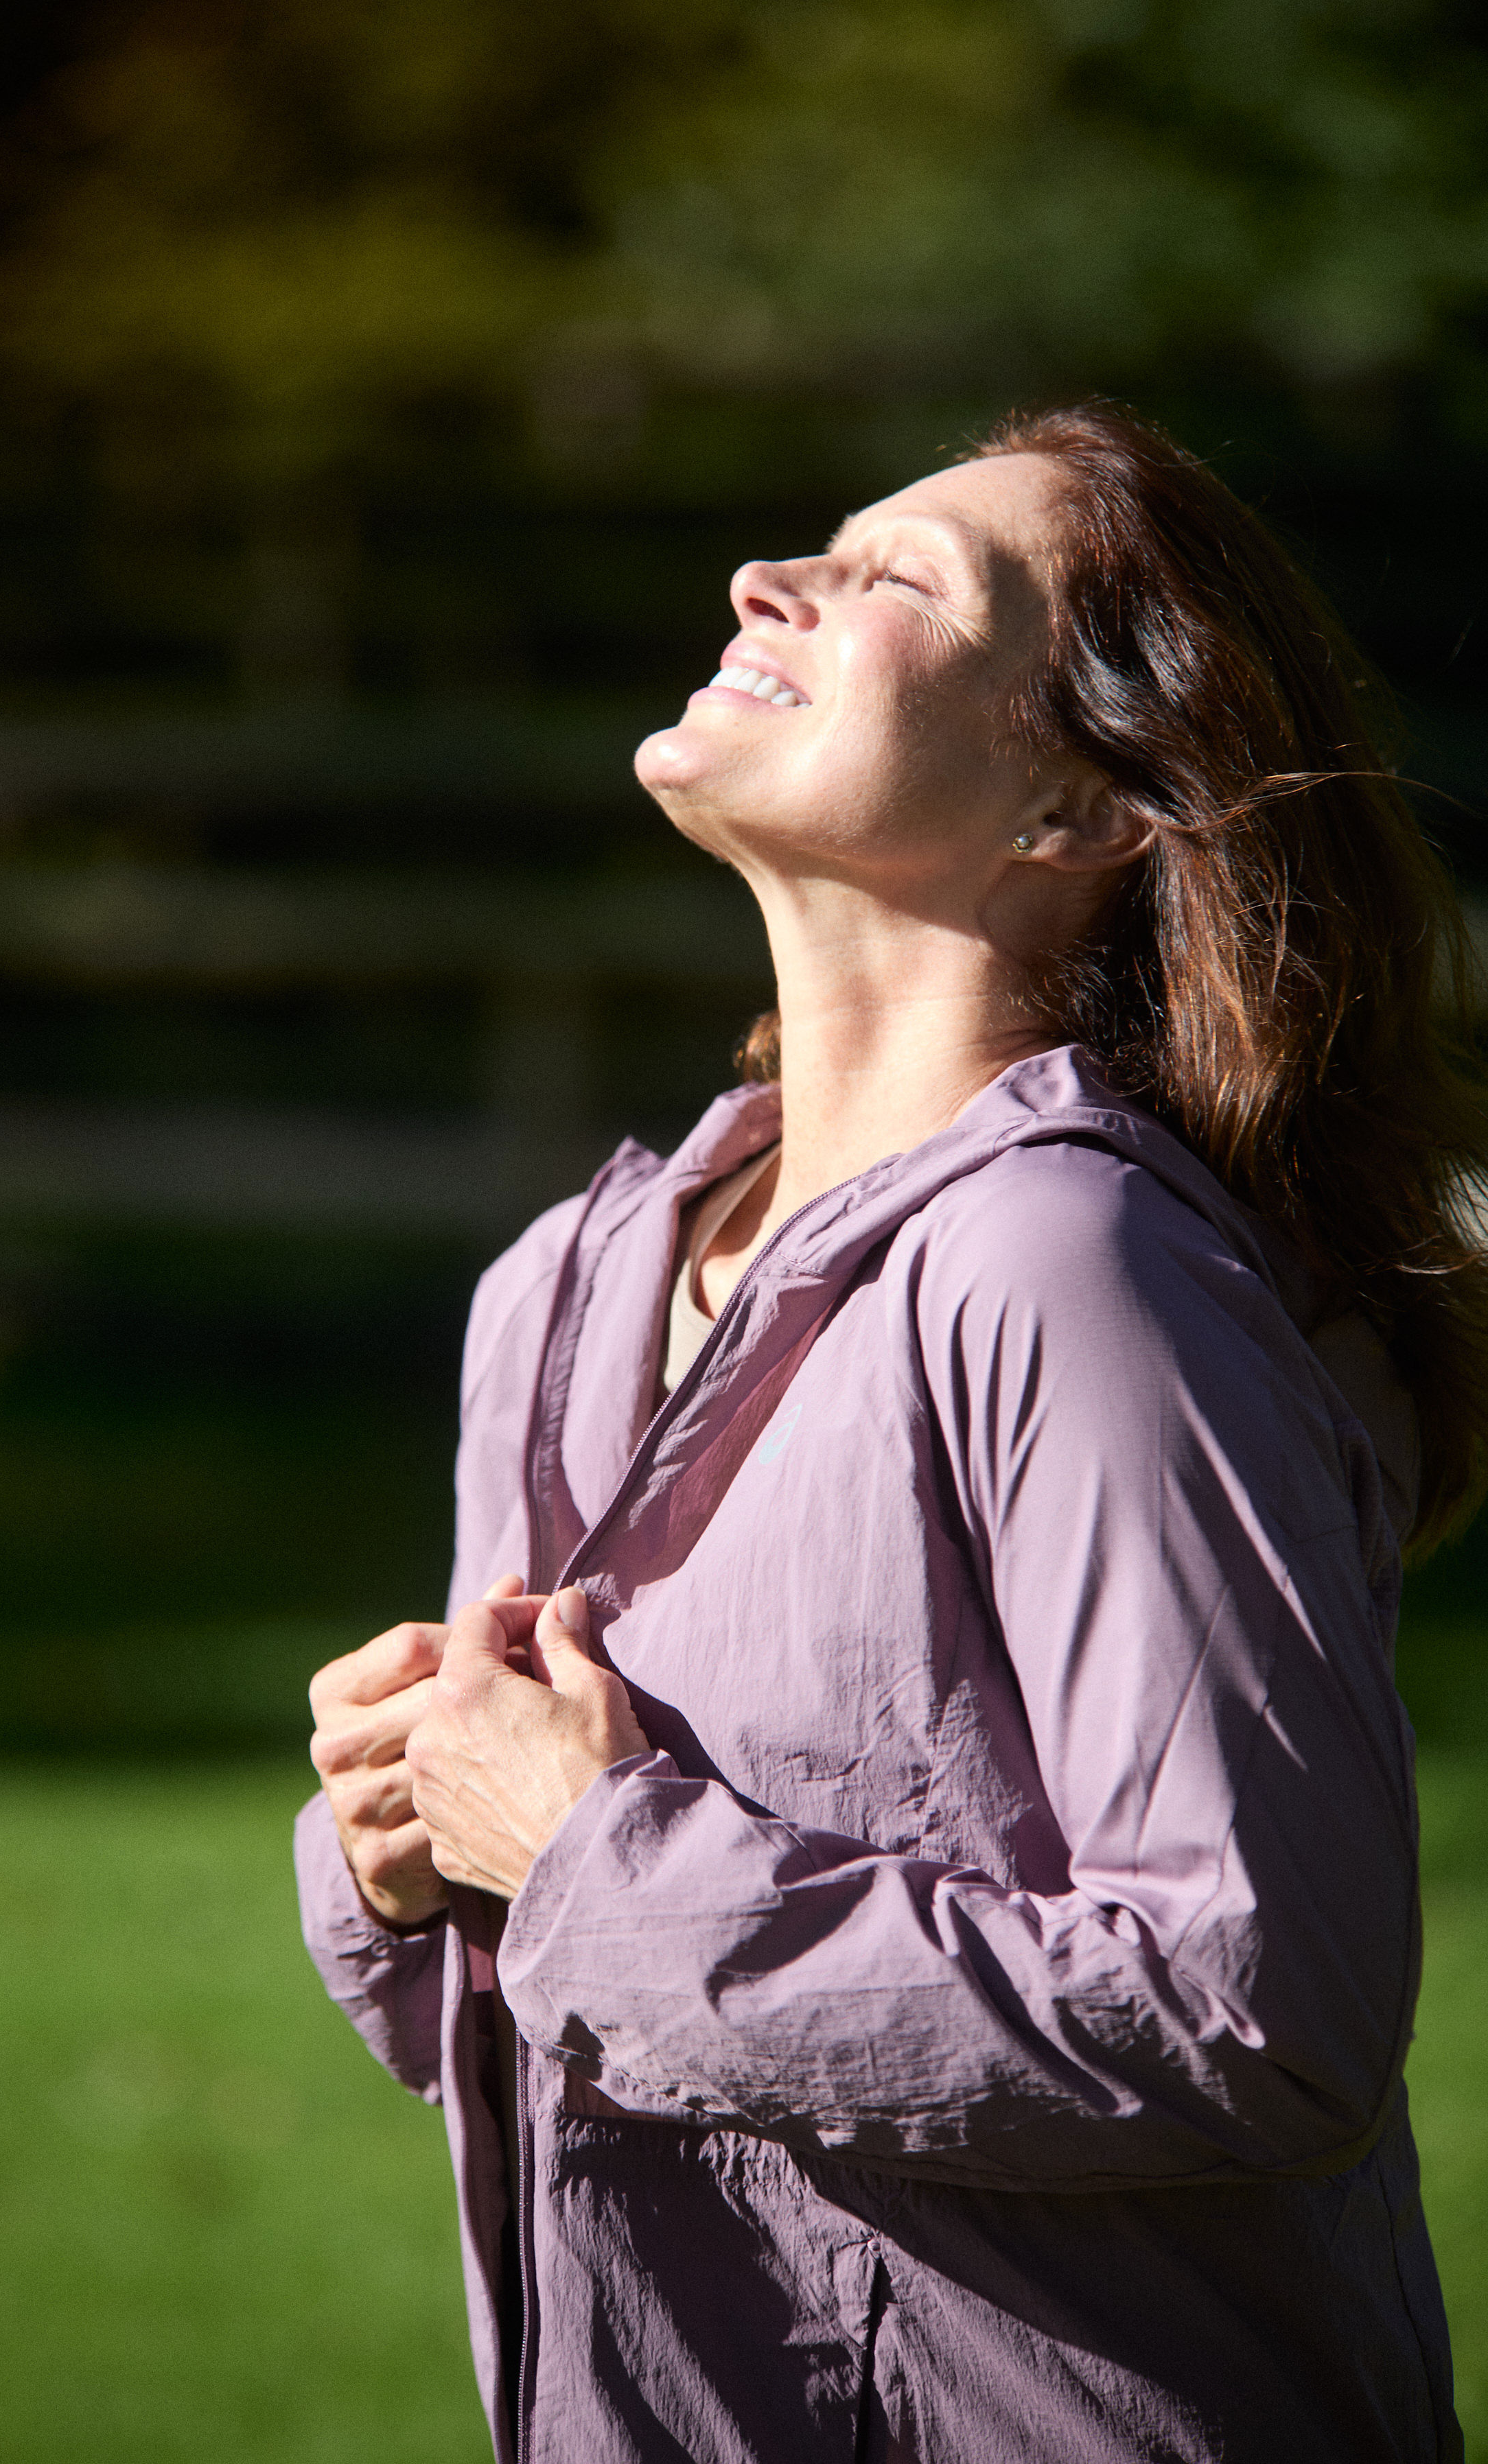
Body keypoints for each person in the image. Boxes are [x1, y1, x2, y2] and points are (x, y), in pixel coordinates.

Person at [295, 403, 1483, 2463]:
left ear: (1074, 808)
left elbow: (1259, 2012)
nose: (770, 580)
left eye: (896, 581)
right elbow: (563, 2008)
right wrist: (403, 1859)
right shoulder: (555, 1291)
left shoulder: (1071, 1264)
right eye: (811, 550)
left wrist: (589, 1857)